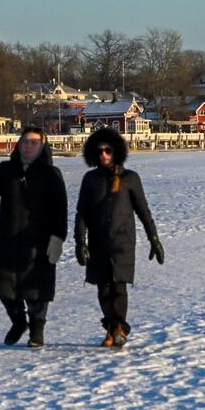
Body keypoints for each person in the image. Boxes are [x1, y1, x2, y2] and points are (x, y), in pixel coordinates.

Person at [0, 126, 67, 348]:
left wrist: (58, 238)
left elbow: (60, 209)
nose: (29, 146)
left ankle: (36, 330)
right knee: (3, 286)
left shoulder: (51, 174)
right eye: (25, 141)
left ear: (43, 146)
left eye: (34, 142)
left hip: (39, 241)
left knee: (36, 290)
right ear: (19, 144)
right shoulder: (6, 169)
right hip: (8, 238)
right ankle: (18, 321)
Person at [74, 126, 163, 349]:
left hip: (123, 242)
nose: (104, 155)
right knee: (103, 288)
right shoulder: (90, 179)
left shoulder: (130, 178)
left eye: (108, 150)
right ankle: (114, 329)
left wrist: (154, 238)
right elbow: (82, 213)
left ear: (116, 152)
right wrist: (80, 242)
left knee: (118, 287)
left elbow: (143, 211)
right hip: (98, 241)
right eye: (100, 151)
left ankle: (117, 329)